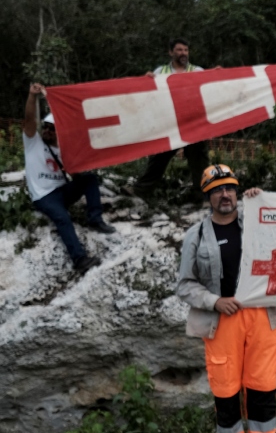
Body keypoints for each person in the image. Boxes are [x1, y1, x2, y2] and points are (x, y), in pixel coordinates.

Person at [176, 165, 276, 433]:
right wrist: (215, 301)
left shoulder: (255, 222)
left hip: (262, 314)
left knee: (263, 381)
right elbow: (185, 285)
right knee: (225, 386)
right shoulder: (197, 235)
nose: (224, 195)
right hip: (222, 319)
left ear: (237, 193)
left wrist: (264, 203)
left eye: (229, 188)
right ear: (208, 197)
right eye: (216, 190)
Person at [22, 83, 116, 272]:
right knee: (63, 218)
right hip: (44, 195)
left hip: (61, 191)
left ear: (60, 131)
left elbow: (75, 174)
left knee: (89, 179)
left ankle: (95, 218)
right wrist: (33, 97)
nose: (47, 131)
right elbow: (29, 119)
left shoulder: (65, 150)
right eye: (46, 127)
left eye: (52, 128)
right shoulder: (33, 143)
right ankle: (79, 260)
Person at [134, 38, 209, 195]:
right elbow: (150, 95)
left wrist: (220, 75)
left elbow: (211, 88)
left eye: (186, 50)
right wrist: (145, 82)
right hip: (169, 123)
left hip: (193, 122)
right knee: (159, 157)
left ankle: (202, 193)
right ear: (170, 52)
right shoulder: (160, 72)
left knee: (199, 159)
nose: (183, 53)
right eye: (180, 50)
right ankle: (142, 190)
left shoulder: (197, 71)